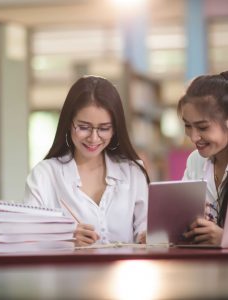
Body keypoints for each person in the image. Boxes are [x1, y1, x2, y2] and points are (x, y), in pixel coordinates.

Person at [24, 75, 150, 246]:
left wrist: (146, 237)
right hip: (67, 273)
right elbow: (26, 238)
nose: (93, 138)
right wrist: (64, 239)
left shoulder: (132, 172)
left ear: (115, 129)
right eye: (84, 127)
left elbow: (146, 228)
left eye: (104, 128)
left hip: (124, 272)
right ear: (69, 124)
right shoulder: (44, 176)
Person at [178, 71, 228, 246]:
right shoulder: (196, 161)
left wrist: (223, 239)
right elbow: (181, 215)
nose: (193, 137)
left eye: (203, 127)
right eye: (187, 126)